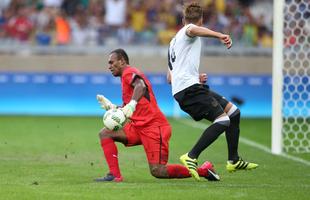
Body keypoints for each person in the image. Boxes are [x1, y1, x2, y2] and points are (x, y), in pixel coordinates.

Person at [95, 48, 220, 182]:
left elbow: (141, 86)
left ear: (122, 61)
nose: (109, 66)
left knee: (158, 170)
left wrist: (132, 103)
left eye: (111, 62)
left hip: (154, 127)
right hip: (138, 127)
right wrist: (112, 107)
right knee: (105, 133)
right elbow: (132, 108)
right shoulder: (125, 77)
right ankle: (114, 175)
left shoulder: (129, 72)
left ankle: (204, 170)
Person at [167, 2, 258, 181]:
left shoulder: (173, 42)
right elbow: (192, 29)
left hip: (190, 85)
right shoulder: (189, 30)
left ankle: (233, 159)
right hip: (189, 90)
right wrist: (219, 35)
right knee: (223, 120)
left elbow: (170, 77)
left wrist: (194, 75)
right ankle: (191, 156)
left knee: (233, 113)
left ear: (183, 18)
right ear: (201, 20)